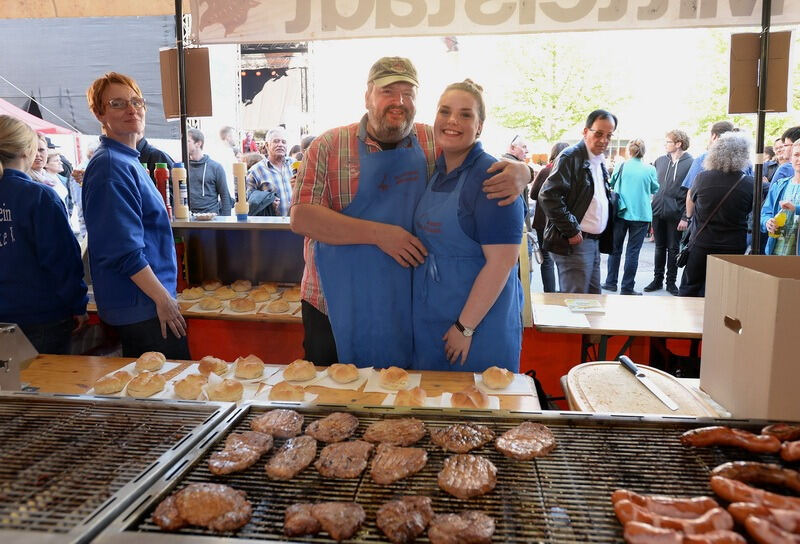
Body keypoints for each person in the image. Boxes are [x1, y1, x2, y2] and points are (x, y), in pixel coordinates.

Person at [290, 56, 529, 367]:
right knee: (331, 400)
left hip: (400, 305)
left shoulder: (434, 140)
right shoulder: (328, 145)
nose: (398, 101)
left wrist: (523, 172)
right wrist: (380, 234)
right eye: (388, 91)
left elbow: (478, 159)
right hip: (332, 303)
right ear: (367, 96)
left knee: (396, 401)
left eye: (407, 93)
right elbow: (301, 218)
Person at [412, 80, 523, 372]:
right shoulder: (436, 170)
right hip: (433, 317)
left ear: (480, 126)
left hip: (479, 327)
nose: (452, 121)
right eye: (444, 111)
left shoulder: (492, 177)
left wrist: (465, 327)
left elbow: (502, 262)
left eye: (465, 115)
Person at [83, 72, 189, 359]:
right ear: (99, 113)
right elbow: (123, 250)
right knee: (168, 395)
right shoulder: (110, 167)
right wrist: (163, 299)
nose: (132, 109)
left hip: (147, 303)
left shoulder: (126, 160)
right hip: (143, 306)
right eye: (117, 103)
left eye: (136, 101)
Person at [0, 115, 88, 354]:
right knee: (45, 388)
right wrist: (78, 304)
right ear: (27, 151)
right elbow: (61, 261)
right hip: (41, 318)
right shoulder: (39, 197)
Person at [538, 109, 617, 294]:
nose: (604, 140)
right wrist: (571, 229)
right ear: (585, 131)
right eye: (598, 133)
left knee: (592, 301)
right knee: (576, 305)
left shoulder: (598, 159)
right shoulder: (570, 156)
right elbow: (548, 196)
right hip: (575, 243)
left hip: (591, 242)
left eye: (609, 135)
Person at [678, 132, 754, 297]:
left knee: (690, 288)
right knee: (726, 292)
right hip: (733, 247)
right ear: (743, 155)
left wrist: (689, 217)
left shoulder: (702, 178)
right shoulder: (749, 183)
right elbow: (749, 211)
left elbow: (692, 200)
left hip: (701, 242)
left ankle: (687, 321)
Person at [602, 139, 659, 295]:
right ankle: (627, 287)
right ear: (643, 152)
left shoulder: (621, 166)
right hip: (641, 215)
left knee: (615, 249)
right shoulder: (650, 169)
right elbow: (655, 188)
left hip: (621, 212)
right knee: (633, 252)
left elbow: (612, 182)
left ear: (629, 151)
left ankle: (611, 282)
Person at [645, 129, 693, 295]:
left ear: (678, 143)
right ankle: (657, 279)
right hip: (658, 210)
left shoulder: (691, 163)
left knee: (673, 249)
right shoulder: (660, 161)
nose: (665, 144)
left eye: (668, 141)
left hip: (677, 213)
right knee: (659, 247)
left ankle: (671, 282)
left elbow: (691, 192)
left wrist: (686, 217)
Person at [530, 142, 568, 292]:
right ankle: (564, 293)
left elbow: (533, 195)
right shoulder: (571, 172)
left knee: (547, 261)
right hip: (565, 223)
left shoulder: (545, 172)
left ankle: (550, 294)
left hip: (543, 222)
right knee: (563, 261)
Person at [761, 140, 800, 255]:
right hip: (776, 254)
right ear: (791, 159)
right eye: (796, 155)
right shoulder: (780, 185)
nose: (799, 159)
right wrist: (767, 222)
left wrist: (796, 208)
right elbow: (765, 213)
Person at [246, 127, 293, 216]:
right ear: (267, 145)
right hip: (271, 226)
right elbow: (248, 202)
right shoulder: (255, 171)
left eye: (284, 142)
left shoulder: (295, 165)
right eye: (276, 141)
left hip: (296, 224)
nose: (280, 145)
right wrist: (266, 202)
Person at [187, 128, 232, 216]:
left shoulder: (215, 167)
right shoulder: (182, 168)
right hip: (188, 217)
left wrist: (226, 222)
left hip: (211, 218)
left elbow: (225, 196)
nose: (184, 144)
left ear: (198, 143)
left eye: (188, 141)